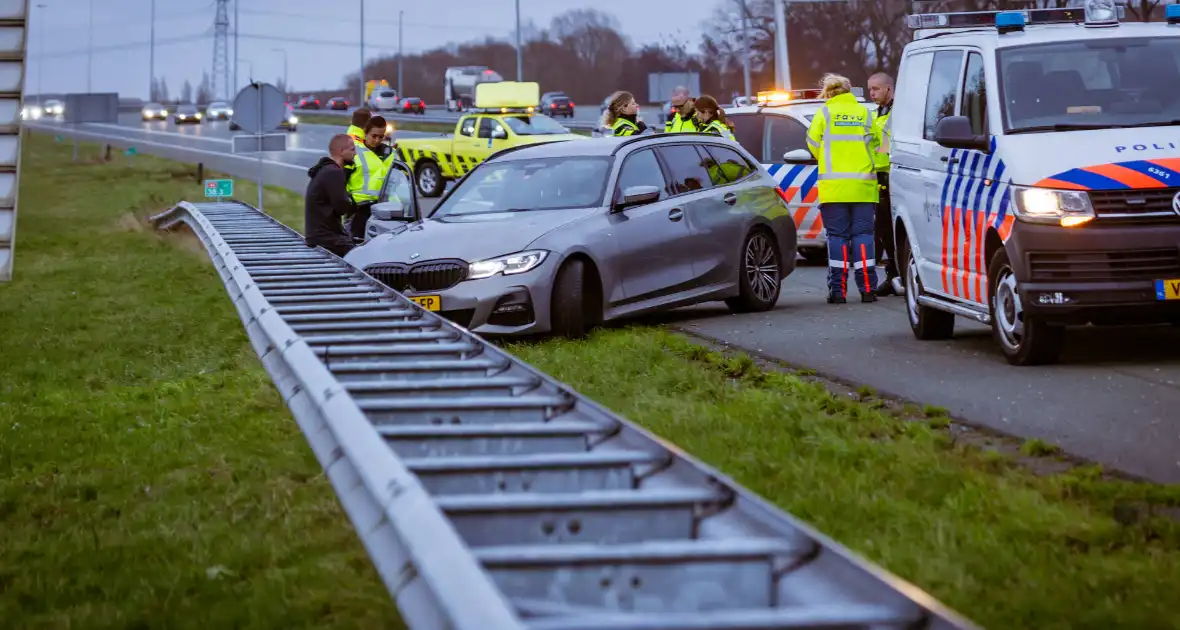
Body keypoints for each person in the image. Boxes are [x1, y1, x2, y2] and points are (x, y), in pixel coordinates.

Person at [806, 73, 881, 304]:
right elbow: (881, 144)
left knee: (837, 237)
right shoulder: (864, 113)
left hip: (834, 188)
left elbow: (812, 145)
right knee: (863, 236)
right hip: (863, 187)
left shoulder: (824, 113)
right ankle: (868, 289)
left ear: (828, 92)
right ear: (849, 91)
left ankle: (838, 291)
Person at [868, 72, 902, 297]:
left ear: (889, 89)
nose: (872, 93)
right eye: (870, 89)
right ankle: (893, 274)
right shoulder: (876, 114)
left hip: (896, 176)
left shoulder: (898, 113)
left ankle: (897, 275)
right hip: (879, 177)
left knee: (891, 229)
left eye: (876, 89)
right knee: (884, 231)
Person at [305, 134, 358, 257]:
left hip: (318, 236)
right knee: (361, 257)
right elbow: (342, 207)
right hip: (327, 239)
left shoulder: (324, 170)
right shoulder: (334, 172)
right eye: (352, 149)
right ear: (341, 151)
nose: (355, 153)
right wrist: (351, 201)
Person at [343, 115, 392, 239]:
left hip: (383, 210)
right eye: (374, 136)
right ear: (365, 133)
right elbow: (341, 180)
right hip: (357, 211)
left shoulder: (390, 154)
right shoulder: (354, 152)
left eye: (381, 137)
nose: (377, 140)